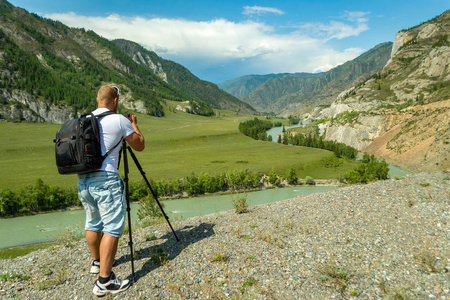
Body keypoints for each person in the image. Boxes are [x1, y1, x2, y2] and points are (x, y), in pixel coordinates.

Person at [77, 85, 145, 296]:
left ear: (98, 100)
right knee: (113, 226)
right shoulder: (119, 120)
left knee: (93, 221)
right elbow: (140, 145)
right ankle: (105, 281)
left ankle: (97, 262)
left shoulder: (84, 120)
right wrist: (134, 125)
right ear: (115, 100)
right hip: (106, 179)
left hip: (84, 179)